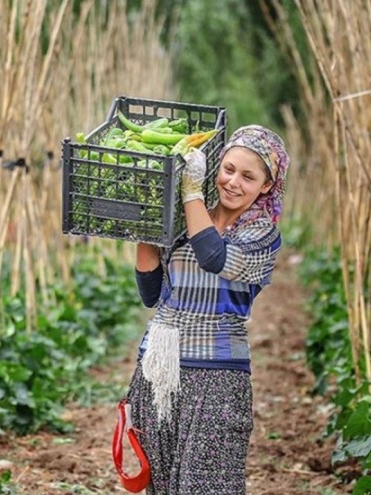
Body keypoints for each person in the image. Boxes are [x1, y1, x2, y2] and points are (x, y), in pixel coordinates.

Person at [127, 124, 290, 494]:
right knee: (162, 484)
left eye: (248, 177)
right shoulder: (184, 218)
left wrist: (189, 191)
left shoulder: (261, 234)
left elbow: (214, 256)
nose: (233, 182)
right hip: (159, 368)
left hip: (217, 375)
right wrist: (145, 228)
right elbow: (152, 295)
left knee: (208, 484)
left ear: (266, 186)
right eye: (228, 169)